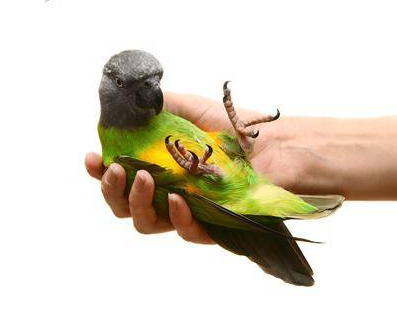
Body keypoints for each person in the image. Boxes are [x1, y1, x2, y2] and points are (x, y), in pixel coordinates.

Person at [86, 92, 397, 245]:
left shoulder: (164, 115)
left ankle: (212, 171)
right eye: (127, 84)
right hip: (229, 193)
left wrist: (244, 142)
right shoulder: (117, 155)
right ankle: (211, 173)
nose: (151, 91)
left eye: (154, 80)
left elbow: (228, 150)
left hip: (237, 180)